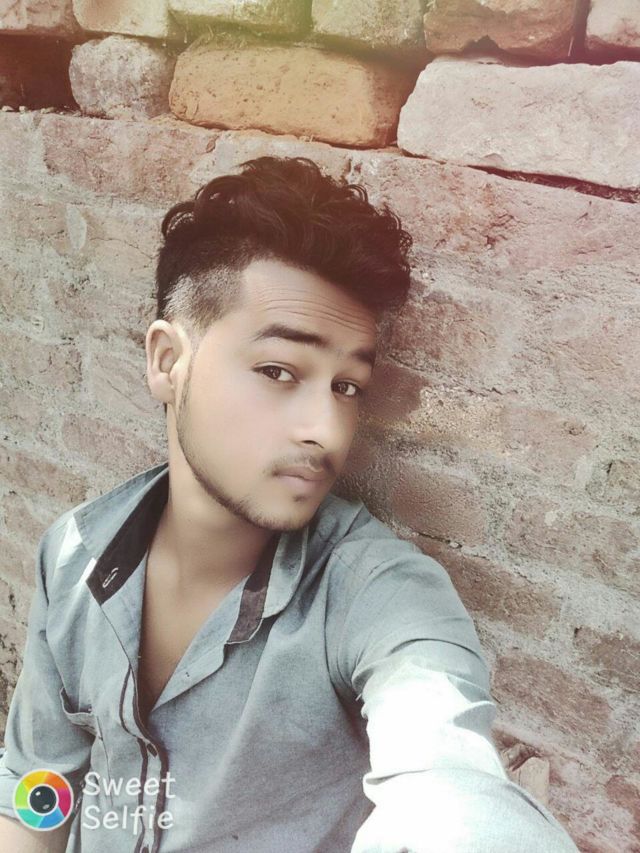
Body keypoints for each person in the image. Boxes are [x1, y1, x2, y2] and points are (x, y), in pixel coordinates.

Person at [0, 156, 578, 852]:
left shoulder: (373, 593)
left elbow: (448, 781)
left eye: (347, 386)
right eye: (278, 370)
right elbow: (36, 792)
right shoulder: (75, 555)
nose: (326, 430)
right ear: (167, 362)